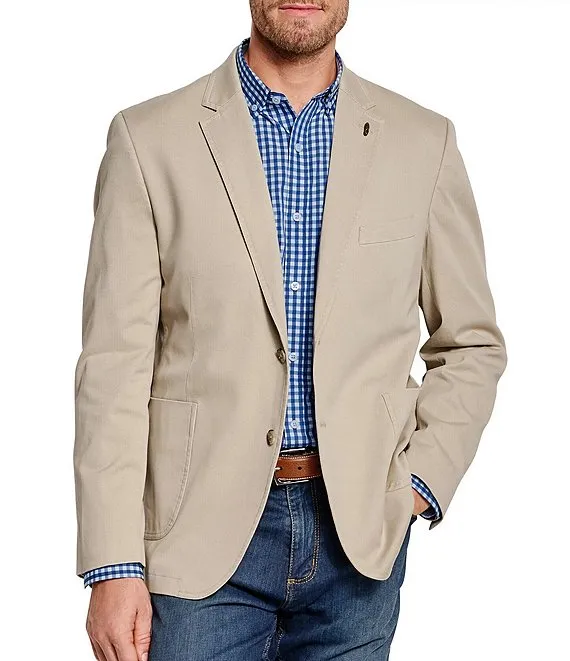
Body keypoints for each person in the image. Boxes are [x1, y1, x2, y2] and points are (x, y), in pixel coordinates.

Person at [73, 1, 508, 659]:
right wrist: (111, 563)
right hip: (196, 541)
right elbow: (114, 364)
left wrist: (417, 485)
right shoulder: (148, 139)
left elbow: (471, 342)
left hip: (358, 546)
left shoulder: (424, 142)